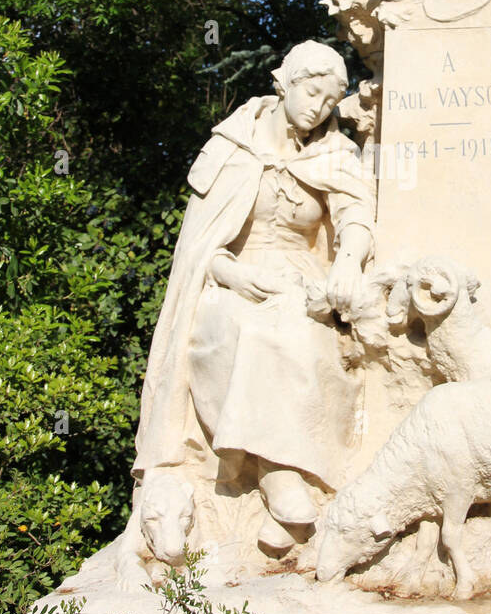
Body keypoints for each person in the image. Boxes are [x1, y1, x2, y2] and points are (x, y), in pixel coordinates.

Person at [133, 41, 374, 552]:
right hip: (232, 278)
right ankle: (276, 477)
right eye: (311, 92)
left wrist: (349, 259)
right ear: (283, 81)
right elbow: (200, 247)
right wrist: (232, 274)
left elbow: (356, 217)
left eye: (330, 101)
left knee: (288, 330)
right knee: (230, 328)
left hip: (302, 277)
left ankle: (284, 478)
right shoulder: (232, 145)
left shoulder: (335, 154)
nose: (319, 107)